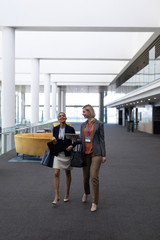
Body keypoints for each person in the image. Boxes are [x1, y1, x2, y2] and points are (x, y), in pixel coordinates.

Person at [80, 104, 106, 212]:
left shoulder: (99, 124)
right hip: (85, 153)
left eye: (84, 112)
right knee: (85, 177)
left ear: (89, 112)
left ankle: (95, 202)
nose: (83, 114)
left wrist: (104, 154)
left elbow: (101, 139)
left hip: (96, 153)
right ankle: (86, 192)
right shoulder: (83, 125)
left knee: (94, 176)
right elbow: (81, 138)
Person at [52, 112, 75, 205]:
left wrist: (72, 146)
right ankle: (56, 196)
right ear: (58, 119)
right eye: (60, 116)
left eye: (63, 116)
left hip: (67, 153)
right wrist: (53, 140)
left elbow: (75, 140)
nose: (62, 117)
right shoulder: (55, 128)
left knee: (68, 173)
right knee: (56, 173)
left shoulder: (70, 128)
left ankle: (67, 193)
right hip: (58, 153)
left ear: (66, 118)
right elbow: (54, 141)